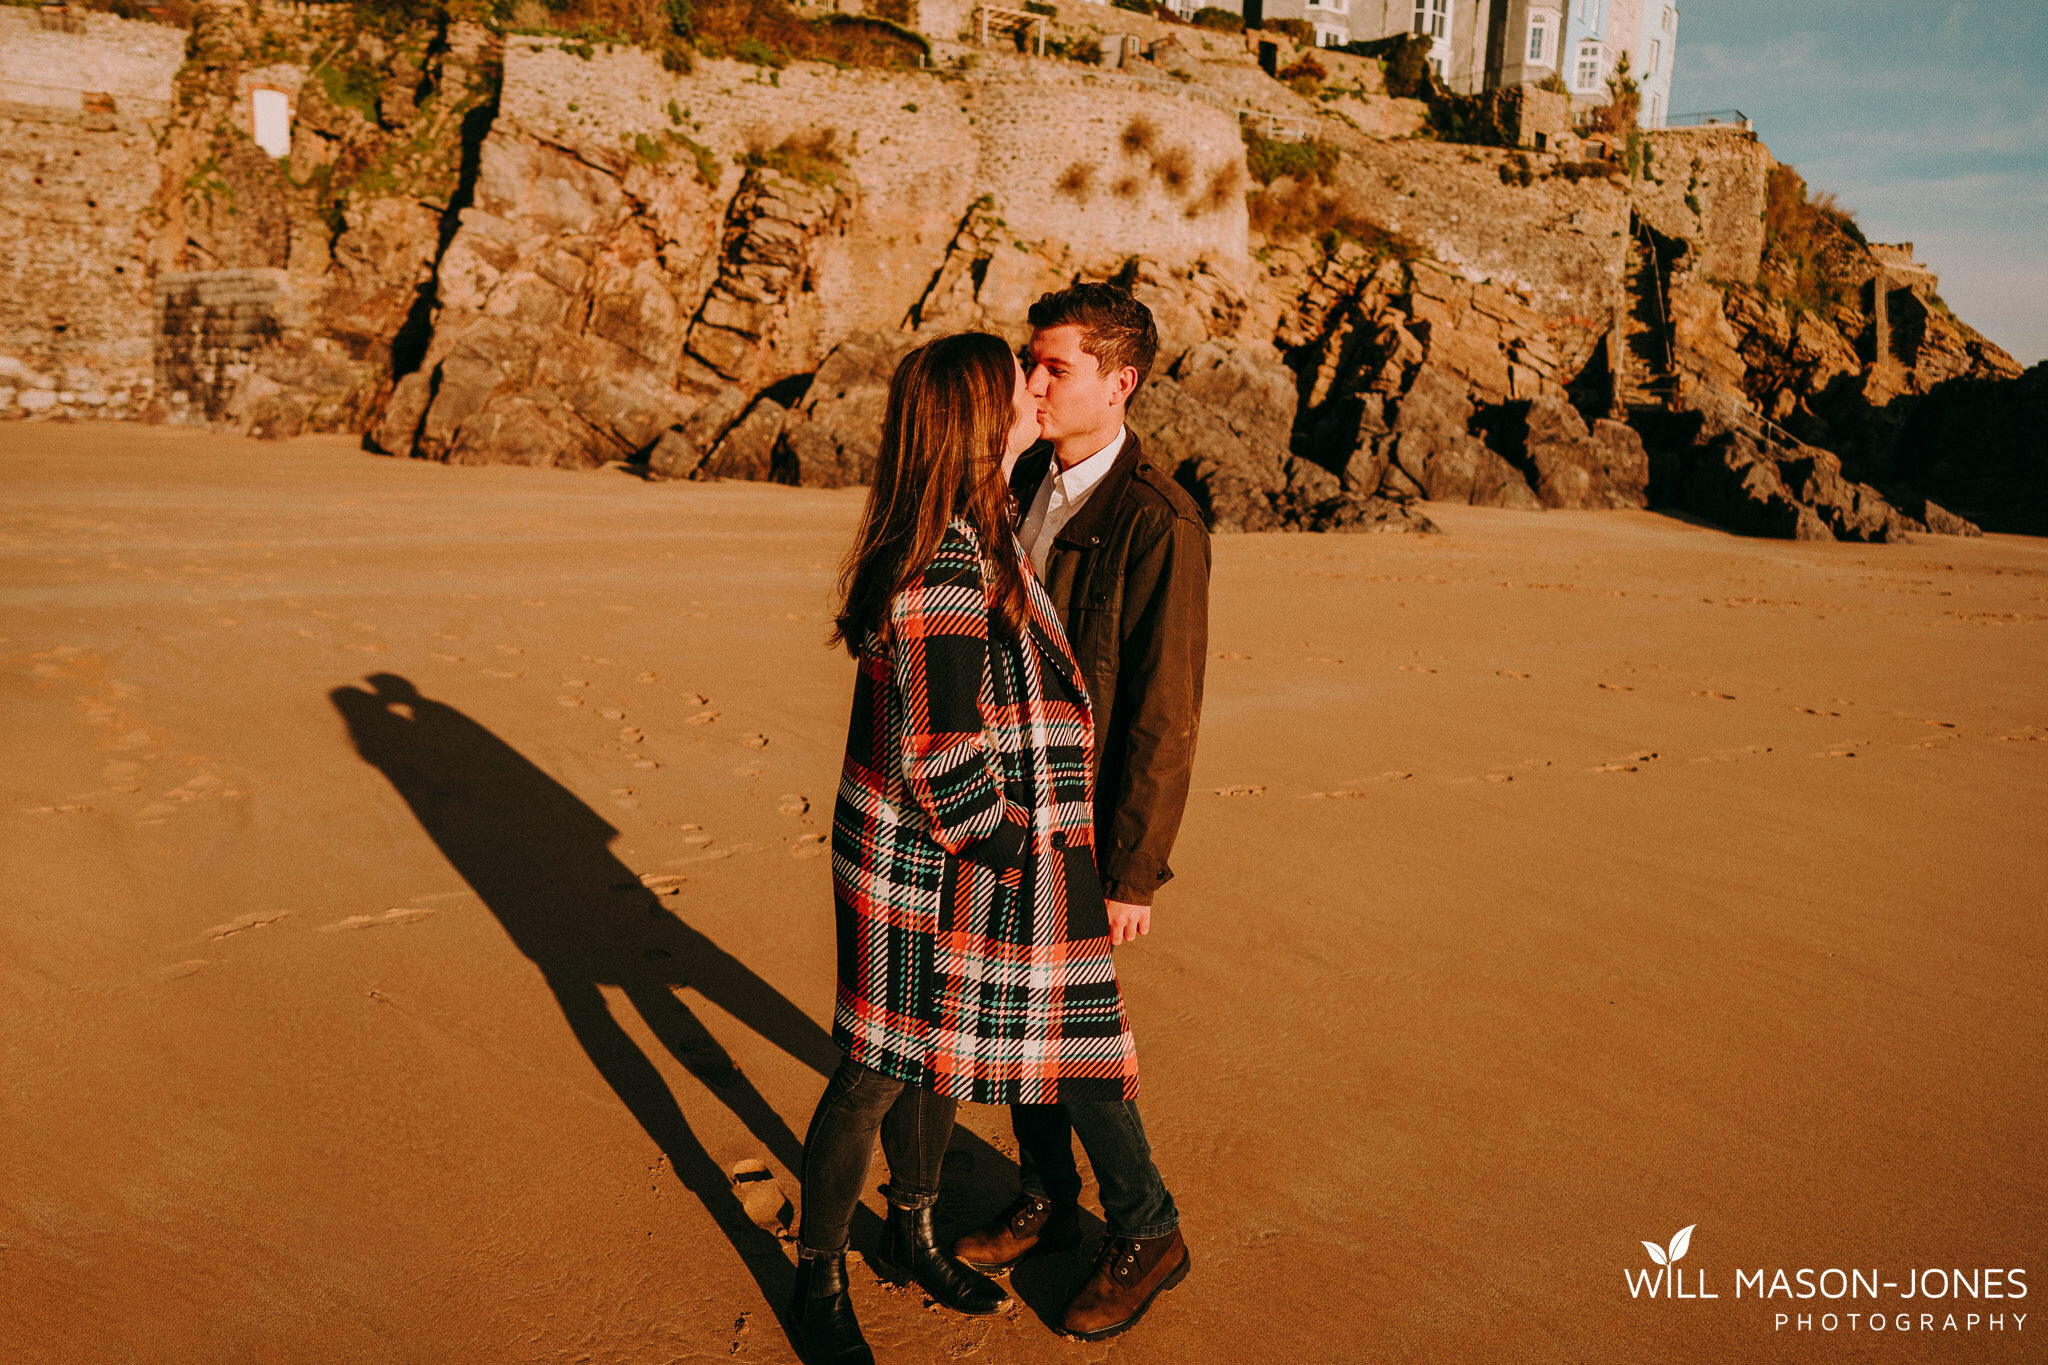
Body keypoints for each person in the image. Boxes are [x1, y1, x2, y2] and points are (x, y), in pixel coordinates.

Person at [788, 331, 1144, 1365]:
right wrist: (1013, 851)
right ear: (979, 419)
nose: (1034, 391)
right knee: (873, 1070)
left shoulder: (966, 529)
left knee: (932, 1061)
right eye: (1015, 382)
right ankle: (817, 1279)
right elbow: (944, 758)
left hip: (927, 852)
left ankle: (913, 1231)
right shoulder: (947, 560)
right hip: (919, 860)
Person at [950, 283, 1206, 1342]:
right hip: (1009, 803)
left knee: (1076, 1035)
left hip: (1085, 821)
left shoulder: (1156, 519)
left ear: (1120, 380)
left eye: (1053, 366)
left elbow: (1162, 709)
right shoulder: (1022, 480)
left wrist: (1134, 871)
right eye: (1029, 360)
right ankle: (1047, 1194)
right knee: (1022, 1019)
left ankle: (1145, 1227)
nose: (1032, 382)